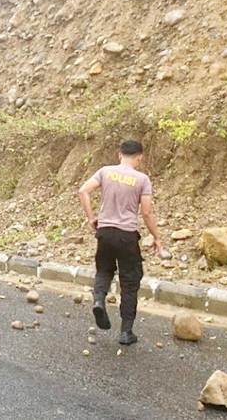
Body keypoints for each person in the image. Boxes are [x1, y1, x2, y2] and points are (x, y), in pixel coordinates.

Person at [77, 140, 162, 345]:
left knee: (104, 270)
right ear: (139, 157)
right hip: (127, 235)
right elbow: (147, 212)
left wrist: (91, 218)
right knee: (130, 281)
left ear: (119, 155)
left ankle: (99, 300)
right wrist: (157, 237)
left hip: (104, 232)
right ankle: (126, 332)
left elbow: (83, 191)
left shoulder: (105, 172)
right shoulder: (142, 179)